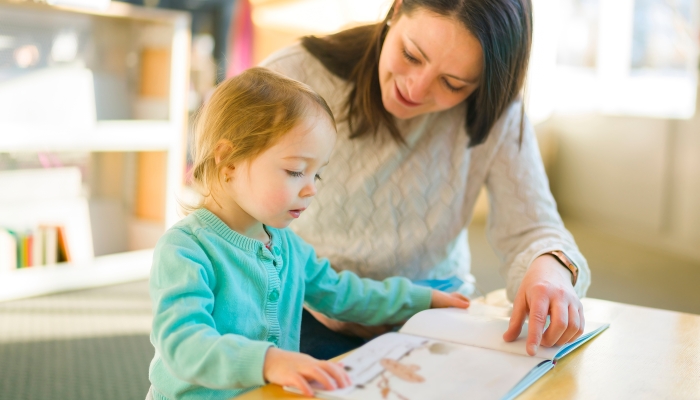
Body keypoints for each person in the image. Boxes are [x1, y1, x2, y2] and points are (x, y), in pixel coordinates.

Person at [260, 0, 591, 360]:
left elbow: (534, 228)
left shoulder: (497, 111)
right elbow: (226, 219)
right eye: (411, 55)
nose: (415, 90)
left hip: (434, 313)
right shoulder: (292, 76)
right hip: (308, 308)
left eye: (452, 83)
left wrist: (552, 271)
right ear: (397, 9)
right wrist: (322, 294)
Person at [146, 67, 470, 400]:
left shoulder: (288, 247)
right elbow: (183, 344)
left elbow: (343, 293)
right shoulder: (185, 249)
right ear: (228, 163)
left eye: (318, 175)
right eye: (297, 171)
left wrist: (420, 299)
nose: (311, 189)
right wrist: (269, 361)